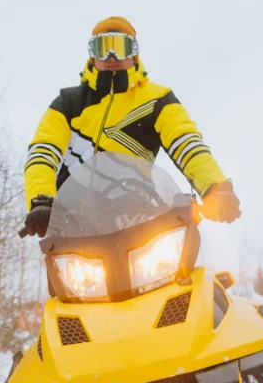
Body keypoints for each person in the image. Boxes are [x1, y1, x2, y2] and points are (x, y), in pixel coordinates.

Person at [21, 16, 241, 237]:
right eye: (102, 48)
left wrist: (216, 188)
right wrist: (41, 201)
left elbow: (186, 143)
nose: (112, 57)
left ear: (134, 53)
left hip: (136, 221)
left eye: (121, 47)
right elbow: (43, 151)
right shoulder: (69, 102)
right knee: (61, 271)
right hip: (71, 224)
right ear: (91, 55)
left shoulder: (157, 100)